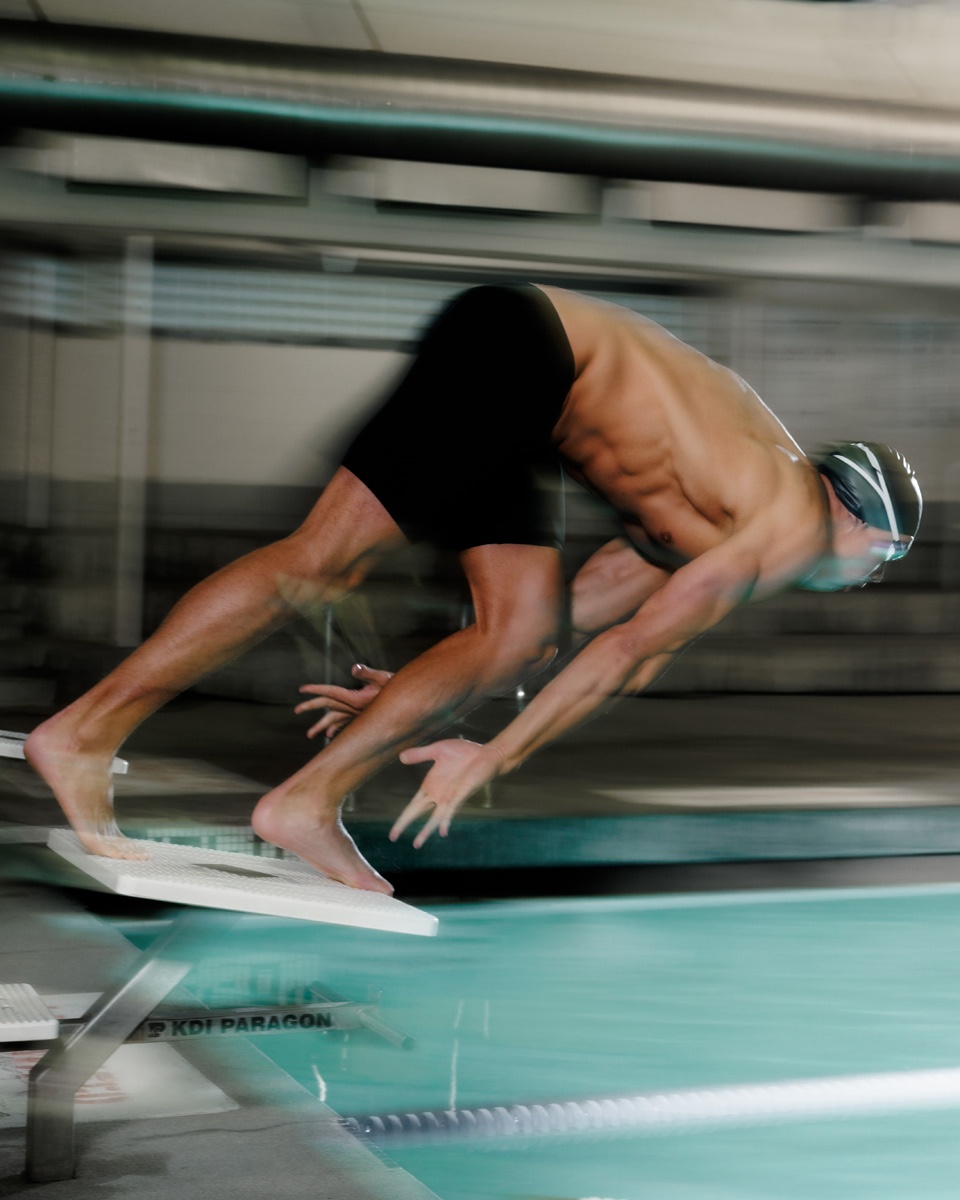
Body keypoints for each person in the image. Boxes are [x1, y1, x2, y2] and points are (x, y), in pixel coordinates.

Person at [25, 284, 922, 894]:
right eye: (881, 558)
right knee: (322, 562)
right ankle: (83, 734)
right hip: (521, 353)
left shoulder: (722, 505)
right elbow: (627, 654)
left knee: (514, 630)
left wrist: (427, 701)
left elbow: (577, 625)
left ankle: (301, 803)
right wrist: (493, 758)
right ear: (856, 519)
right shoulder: (787, 524)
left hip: (526, 382)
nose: (870, 578)